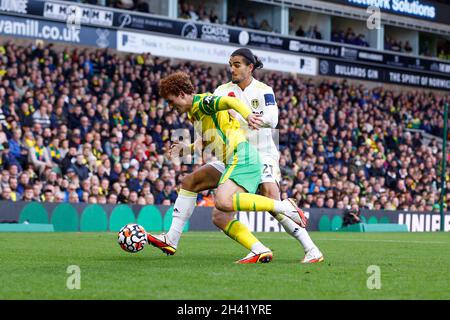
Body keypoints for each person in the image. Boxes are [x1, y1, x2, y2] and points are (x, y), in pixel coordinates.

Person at [147, 48, 323, 264]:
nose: (232, 69)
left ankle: (311, 248)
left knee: (269, 196)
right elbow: (209, 129)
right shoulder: (221, 90)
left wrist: (249, 117)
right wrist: (189, 148)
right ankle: (175, 239)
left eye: (237, 64)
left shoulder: (263, 90)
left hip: (260, 153)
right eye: (230, 64)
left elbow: (273, 119)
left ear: (250, 67)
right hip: (231, 155)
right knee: (202, 194)